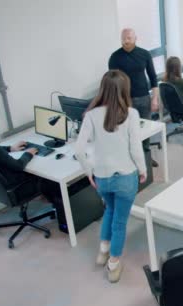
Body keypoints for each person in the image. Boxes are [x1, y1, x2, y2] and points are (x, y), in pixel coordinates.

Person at [74, 70, 147, 283]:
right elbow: (135, 148)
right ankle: (113, 263)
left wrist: (89, 173)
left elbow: (79, 150)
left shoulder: (91, 116)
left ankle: (103, 250)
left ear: (103, 89)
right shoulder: (131, 114)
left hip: (102, 179)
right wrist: (142, 170)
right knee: (120, 222)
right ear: (125, 90)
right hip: (125, 177)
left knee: (110, 210)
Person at [0, 113, 61, 209]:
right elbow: (18, 165)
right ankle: (58, 204)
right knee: (49, 175)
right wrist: (29, 153)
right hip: (17, 185)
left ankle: (50, 199)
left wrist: (10, 148)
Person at [108, 28, 159, 167]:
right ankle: (131, 160)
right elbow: (112, 82)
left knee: (146, 129)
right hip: (125, 101)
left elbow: (153, 77)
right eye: (123, 38)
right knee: (129, 132)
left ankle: (146, 156)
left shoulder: (144, 54)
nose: (125, 41)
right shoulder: (115, 57)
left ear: (136, 38)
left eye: (128, 38)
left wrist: (154, 98)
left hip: (143, 98)